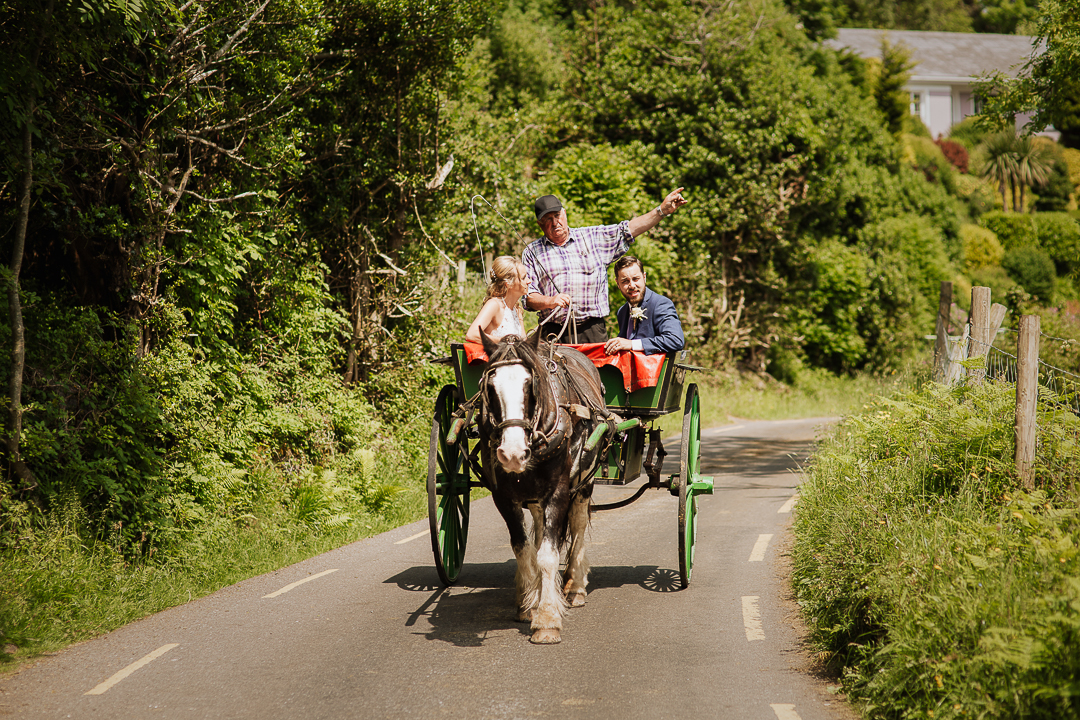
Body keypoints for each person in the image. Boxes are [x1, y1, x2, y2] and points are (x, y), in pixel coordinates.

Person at [523, 187, 688, 344]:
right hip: (553, 333)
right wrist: (550, 301)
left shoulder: (592, 237)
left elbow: (629, 230)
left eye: (557, 215)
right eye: (548, 219)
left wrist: (661, 211)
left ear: (564, 213)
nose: (555, 222)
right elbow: (528, 297)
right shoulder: (532, 252)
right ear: (540, 224)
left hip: (592, 330)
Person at [604, 256, 685, 356]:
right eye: (625, 281)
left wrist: (632, 344)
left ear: (644, 277)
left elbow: (675, 340)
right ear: (618, 284)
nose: (632, 285)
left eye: (636, 279)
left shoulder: (660, 304)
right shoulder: (622, 311)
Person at [466, 256, 531, 344]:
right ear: (508, 284)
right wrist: (506, 342)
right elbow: (472, 335)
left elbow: (523, 342)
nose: (529, 281)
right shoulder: (494, 304)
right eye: (523, 278)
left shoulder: (517, 309)